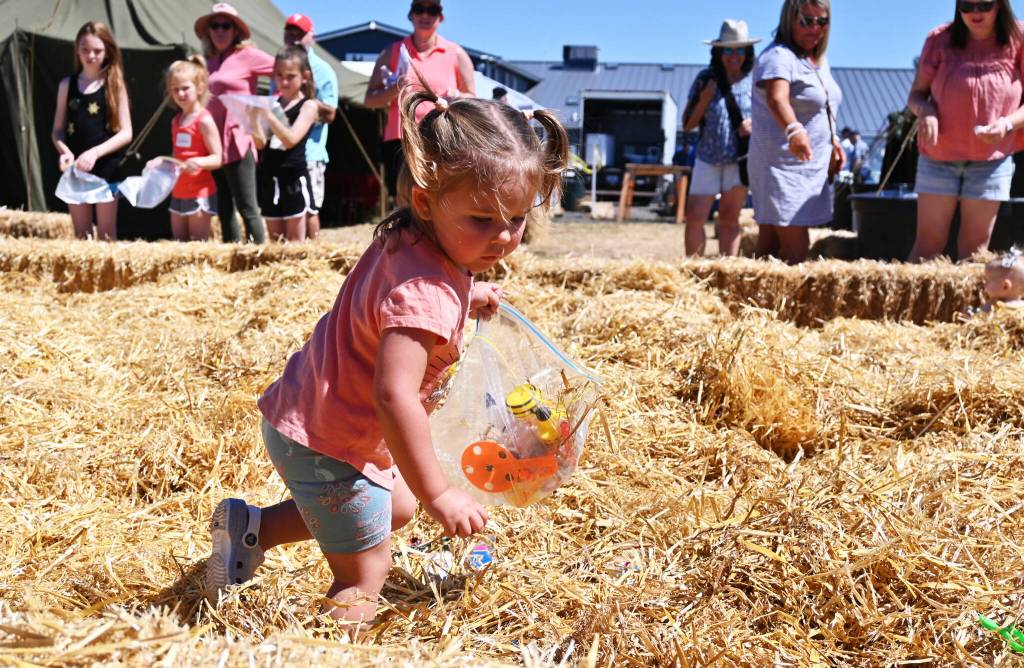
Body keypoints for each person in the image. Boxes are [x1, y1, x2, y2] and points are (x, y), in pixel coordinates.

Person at [205, 88, 569, 628]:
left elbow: (397, 300)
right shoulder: (426, 295)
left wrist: (468, 296)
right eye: (481, 219)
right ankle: (329, 647)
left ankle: (249, 528)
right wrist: (440, 493)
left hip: (312, 412)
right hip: (328, 439)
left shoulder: (411, 237)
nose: (503, 237)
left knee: (395, 509)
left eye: (516, 219)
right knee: (366, 569)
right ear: (426, 201)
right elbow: (393, 394)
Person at [907, 0, 1024, 263]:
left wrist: (1006, 124)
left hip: (992, 161)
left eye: (984, 5)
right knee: (928, 247)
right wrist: (926, 111)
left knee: (975, 251)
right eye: (966, 6)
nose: (975, 13)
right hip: (938, 158)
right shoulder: (939, 39)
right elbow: (916, 95)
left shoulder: (1019, 38)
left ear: (1000, 6)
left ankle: (967, 306)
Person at [749, 0, 845, 264]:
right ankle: (782, 304)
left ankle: (751, 303)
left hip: (806, 166)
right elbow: (776, 98)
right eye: (806, 21)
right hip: (782, 167)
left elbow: (823, 107)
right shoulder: (778, 56)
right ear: (789, 20)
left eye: (821, 21)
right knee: (796, 249)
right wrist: (794, 131)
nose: (815, 28)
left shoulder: (816, 61)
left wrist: (833, 141)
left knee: (769, 245)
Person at [364, 0, 476, 201]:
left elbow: (473, 98)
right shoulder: (393, 51)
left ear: (440, 17)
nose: (425, 15)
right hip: (401, 137)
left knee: (439, 196)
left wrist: (456, 96)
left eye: (432, 10)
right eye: (419, 9)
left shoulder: (456, 53)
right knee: (403, 199)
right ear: (411, 15)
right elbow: (369, 101)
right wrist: (392, 90)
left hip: (441, 136)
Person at [197, 3, 274, 243]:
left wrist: (269, 108)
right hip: (212, 142)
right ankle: (231, 255)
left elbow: (285, 69)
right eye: (215, 25)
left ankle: (259, 256)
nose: (220, 30)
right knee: (224, 205)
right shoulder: (206, 61)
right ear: (208, 31)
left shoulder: (248, 56)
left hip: (238, 139)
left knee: (247, 206)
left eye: (226, 25)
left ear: (236, 30)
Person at [681, 19, 759, 257]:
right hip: (708, 157)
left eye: (740, 50)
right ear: (718, 52)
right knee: (695, 215)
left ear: (747, 52)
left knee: (729, 217)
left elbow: (769, 117)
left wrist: (755, 124)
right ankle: (693, 268)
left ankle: (728, 270)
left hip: (739, 159)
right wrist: (704, 99)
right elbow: (687, 124)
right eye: (728, 49)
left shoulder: (756, 80)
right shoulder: (706, 78)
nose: (734, 55)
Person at [51, 21, 132, 241]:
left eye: (97, 51)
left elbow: (126, 132)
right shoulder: (67, 85)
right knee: (81, 236)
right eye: (85, 50)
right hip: (77, 168)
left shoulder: (114, 85)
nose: (91, 56)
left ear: (107, 51)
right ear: (77, 49)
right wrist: (64, 151)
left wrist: (95, 153)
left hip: (106, 168)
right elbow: (58, 130)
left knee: (106, 236)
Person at [251, 47, 319, 242]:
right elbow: (261, 143)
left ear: (304, 77)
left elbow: (290, 140)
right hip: (270, 177)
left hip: (293, 178)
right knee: (275, 242)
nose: (284, 81)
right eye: (279, 76)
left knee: (295, 241)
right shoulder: (273, 103)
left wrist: (268, 115)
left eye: (290, 76)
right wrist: (253, 119)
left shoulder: (309, 105)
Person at [283, 14, 338, 240]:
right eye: (290, 32)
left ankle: (313, 256)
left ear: (311, 38)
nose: (294, 38)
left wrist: (307, 105)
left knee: (308, 209)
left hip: (309, 154)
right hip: (282, 152)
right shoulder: (279, 65)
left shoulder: (322, 69)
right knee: (285, 211)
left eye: (300, 34)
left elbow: (331, 114)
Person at [158, 57, 223, 241]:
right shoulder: (176, 121)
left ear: (200, 88)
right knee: (179, 245)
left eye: (185, 88)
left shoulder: (204, 120)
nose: (180, 94)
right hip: (179, 191)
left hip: (199, 193)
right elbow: (176, 155)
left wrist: (199, 162)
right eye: (175, 89)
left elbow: (218, 158)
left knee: (197, 246)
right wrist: (163, 163)